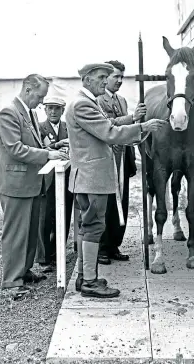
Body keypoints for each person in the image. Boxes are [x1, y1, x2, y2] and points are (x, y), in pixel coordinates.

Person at [66, 63, 166, 299]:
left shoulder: (87, 102)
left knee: (88, 226)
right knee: (93, 227)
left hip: (89, 177)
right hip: (92, 178)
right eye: (101, 77)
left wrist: (133, 123)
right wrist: (142, 126)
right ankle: (89, 281)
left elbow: (109, 126)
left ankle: (85, 275)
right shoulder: (83, 104)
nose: (105, 81)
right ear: (87, 80)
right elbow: (109, 133)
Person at [0, 74, 68, 299]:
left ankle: (24, 271)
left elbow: (32, 143)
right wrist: (48, 154)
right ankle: (12, 282)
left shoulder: (30, 113)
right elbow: (15, 149)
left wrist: (55, 146)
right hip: (15, 184)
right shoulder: (9, 113)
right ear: (27, 89)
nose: (41, 101)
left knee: (30, 232)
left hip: (31, 183)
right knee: (17, 233)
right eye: (40, 96)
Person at [97, 60, 147, 265]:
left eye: (121, 76)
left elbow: (126, 128)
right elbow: (108, 125)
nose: (119, 80)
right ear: (105, 77)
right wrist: (132, 118)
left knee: (122, 203)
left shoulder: (122, 100)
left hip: (123, 158)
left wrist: (138, 124)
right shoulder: (98, 101)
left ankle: (114, 244)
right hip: (106, 160)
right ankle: (101, 247)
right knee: (106, 204)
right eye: (115, 76)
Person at [38, 96, 73, 272]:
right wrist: (57, 145)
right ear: (45, 110)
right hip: (47, 179)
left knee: (65, 214)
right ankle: (45, 257)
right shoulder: (40, 128)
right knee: (46, 218)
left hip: (67, 177)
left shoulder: (68, 127)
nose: (53, 112)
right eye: (50, 108)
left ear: (62, 110)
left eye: (57, 108)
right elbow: (42, 149)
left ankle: (58, 252)